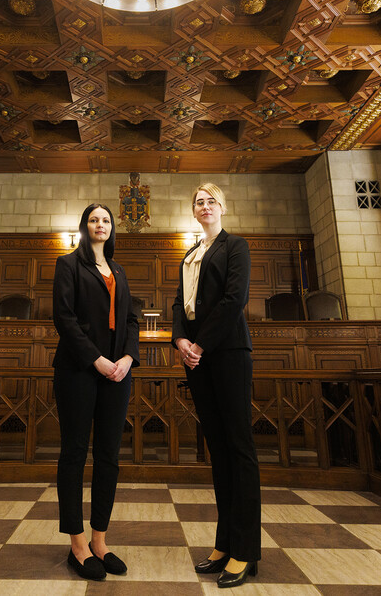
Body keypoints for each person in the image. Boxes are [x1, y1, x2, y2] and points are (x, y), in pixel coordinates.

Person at [172, 183, 260, 588]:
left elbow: (233, 299)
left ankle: (245, 550)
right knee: (219, 452)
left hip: (226, 354)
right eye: (198, 202)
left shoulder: (235, 246)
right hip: (198, 358)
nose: (204, 206)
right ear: (193, 212)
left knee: (239, 450)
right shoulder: (189, 255)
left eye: (210, 201)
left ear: (222, 207)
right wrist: (180, 341)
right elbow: (178, 304)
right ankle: (224, 543)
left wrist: (201, 343)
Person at [52, 203, 139, 581]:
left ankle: (100, 540)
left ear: (112, 228)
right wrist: (97, 360)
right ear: (85, 227)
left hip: (117, 374)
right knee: (74, 454)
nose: (100, 225)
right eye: (93, 220)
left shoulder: (118, 270)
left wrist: (128, 358)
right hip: (78, 371)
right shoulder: (68, 264)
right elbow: (64, 319)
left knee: (108, 456)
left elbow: (132, 320)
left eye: (105, 220)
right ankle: (77, 543)